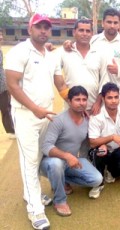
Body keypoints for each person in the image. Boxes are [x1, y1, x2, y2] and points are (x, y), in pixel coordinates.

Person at [5, 13, 68, 229]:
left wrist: (77, 104)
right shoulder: (18, 52)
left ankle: (29, 194)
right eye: (39, 27)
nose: (43, 31)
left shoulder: (51, 55)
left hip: (45, 114)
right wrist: (35, 109)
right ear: (30, 29)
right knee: (30, 160)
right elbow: (12, 86)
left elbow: (60, 85)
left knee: (39, 156)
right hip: (25, 115)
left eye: (46, 27)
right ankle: (35, 209)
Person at [40, 86, 103, 217]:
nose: (81, 103)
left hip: (71, 163)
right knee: (56, 165)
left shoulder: (87, 119)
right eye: (77, 99)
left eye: (84, 99)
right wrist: (66, 155)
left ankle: (61, 180)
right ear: (69, 101)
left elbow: (86, 145)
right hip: (51, 162)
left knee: (97, 179)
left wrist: (85, 162)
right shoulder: (58, 120)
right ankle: (60, 200)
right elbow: (46, 147)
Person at [90, 8, 120, 105]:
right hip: (94, 97)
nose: (112, 26)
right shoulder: (93, 41)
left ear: (118, 24)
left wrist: (119, 71)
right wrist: (68, 45)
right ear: (103, 23)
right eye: (109, 22)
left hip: (117, 97)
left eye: (115, 23)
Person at [88, 82, 120, 183]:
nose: (113, 101)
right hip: (103, 149)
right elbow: (92, 142)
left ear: (119, 97)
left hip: (119, 149)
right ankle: (99, 181)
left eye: (116, 97)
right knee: (99, 152)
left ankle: (110, 171)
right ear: (103, 99)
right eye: (109, 98)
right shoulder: (96, 117)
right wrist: (112, 137)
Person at [57, 19, 103, 115]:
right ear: (74, 32)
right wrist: (71, 102)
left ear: (91, 34)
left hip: (94, 109)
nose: (85, 34)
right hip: (70, 109)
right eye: (81, 30)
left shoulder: (99, 53)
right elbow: (56, 75)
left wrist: (98, 102)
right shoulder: (63, 52)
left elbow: (104, 79)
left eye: (88, 31)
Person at [0, 29, 15, 139]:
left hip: (2, 86)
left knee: (6, 108)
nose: (1, 37)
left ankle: (11, 131)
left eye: (1, 34)